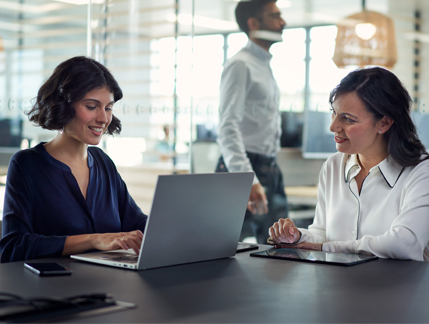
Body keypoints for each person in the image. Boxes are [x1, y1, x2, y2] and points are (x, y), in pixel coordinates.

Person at [269, 67, 429, 261]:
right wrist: (297, 236)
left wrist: (328, 247)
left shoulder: (421, 171)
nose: (333, 127)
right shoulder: (333, 166)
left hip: (395, 288)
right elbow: (321, 232)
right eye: (334, 113)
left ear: (384, 124)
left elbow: (405, 243)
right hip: (337, 287)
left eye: (347, 119)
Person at [0, 56, 147, 263]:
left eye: (108, 107)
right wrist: (94, 240)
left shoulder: (103, 162)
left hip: (110, 286)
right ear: (63, 106)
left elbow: (137, 223)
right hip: (56, 289)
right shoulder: (26, 165)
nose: (104, 119)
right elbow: (13, 247)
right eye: (91, 106)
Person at [216, 0, 288, 243]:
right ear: (254, 23)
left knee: (282, 245)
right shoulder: (240, 65)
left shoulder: (263, 65)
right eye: (275, 16)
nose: (283, 22)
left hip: (269, 166)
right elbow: (227, 127)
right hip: (244, 167)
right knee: (235, 251)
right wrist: (247, 177)